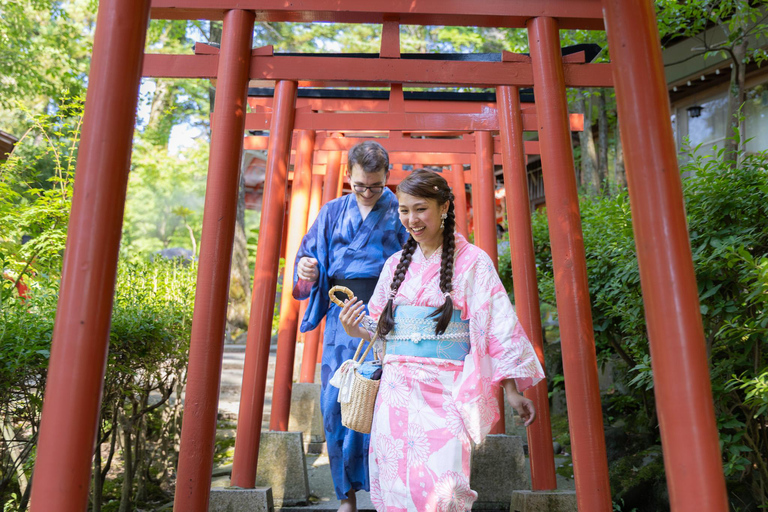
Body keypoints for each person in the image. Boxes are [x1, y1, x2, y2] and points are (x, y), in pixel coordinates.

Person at [339, 169, 544, 512]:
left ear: (445, 207)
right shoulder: (395, 265)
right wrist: (353, 328)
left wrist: (511, 390)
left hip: (447, 391)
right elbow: (377, 329)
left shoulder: (474, 262)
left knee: (445, 491)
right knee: (392, 485)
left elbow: (496, 326)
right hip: (395, 391)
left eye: (420, 209)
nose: (411, 219)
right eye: (404, 210)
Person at [293, 141, 410, 512]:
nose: (367, 192)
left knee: (384, 403)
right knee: (336, 405)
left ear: (387, 178)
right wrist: (306, 271)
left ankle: (388, 488)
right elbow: (308, 258)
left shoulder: (399, 211)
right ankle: (346, 495)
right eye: (360, 185)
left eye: (375, 186)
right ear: (348, 176)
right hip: (342, 318)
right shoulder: (331, 212)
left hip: (386, 318)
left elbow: (417, 261)